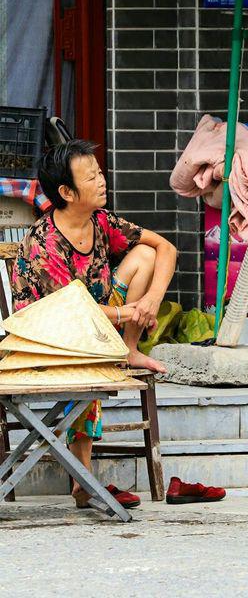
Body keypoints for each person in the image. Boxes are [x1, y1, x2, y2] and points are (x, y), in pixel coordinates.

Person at [11, 140, 177, 508]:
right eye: (92, 177)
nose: (102, 181)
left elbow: (167, 248)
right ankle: (82, 480)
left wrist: (149, 302)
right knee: (90, 361)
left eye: (99, 172)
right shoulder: (45, 243)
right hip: (49, 338)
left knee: (145, 254)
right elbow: (70, 310)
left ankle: (129, 350)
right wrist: (126, 313)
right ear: (67, 192)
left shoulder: (101, 221)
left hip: (98, 324)